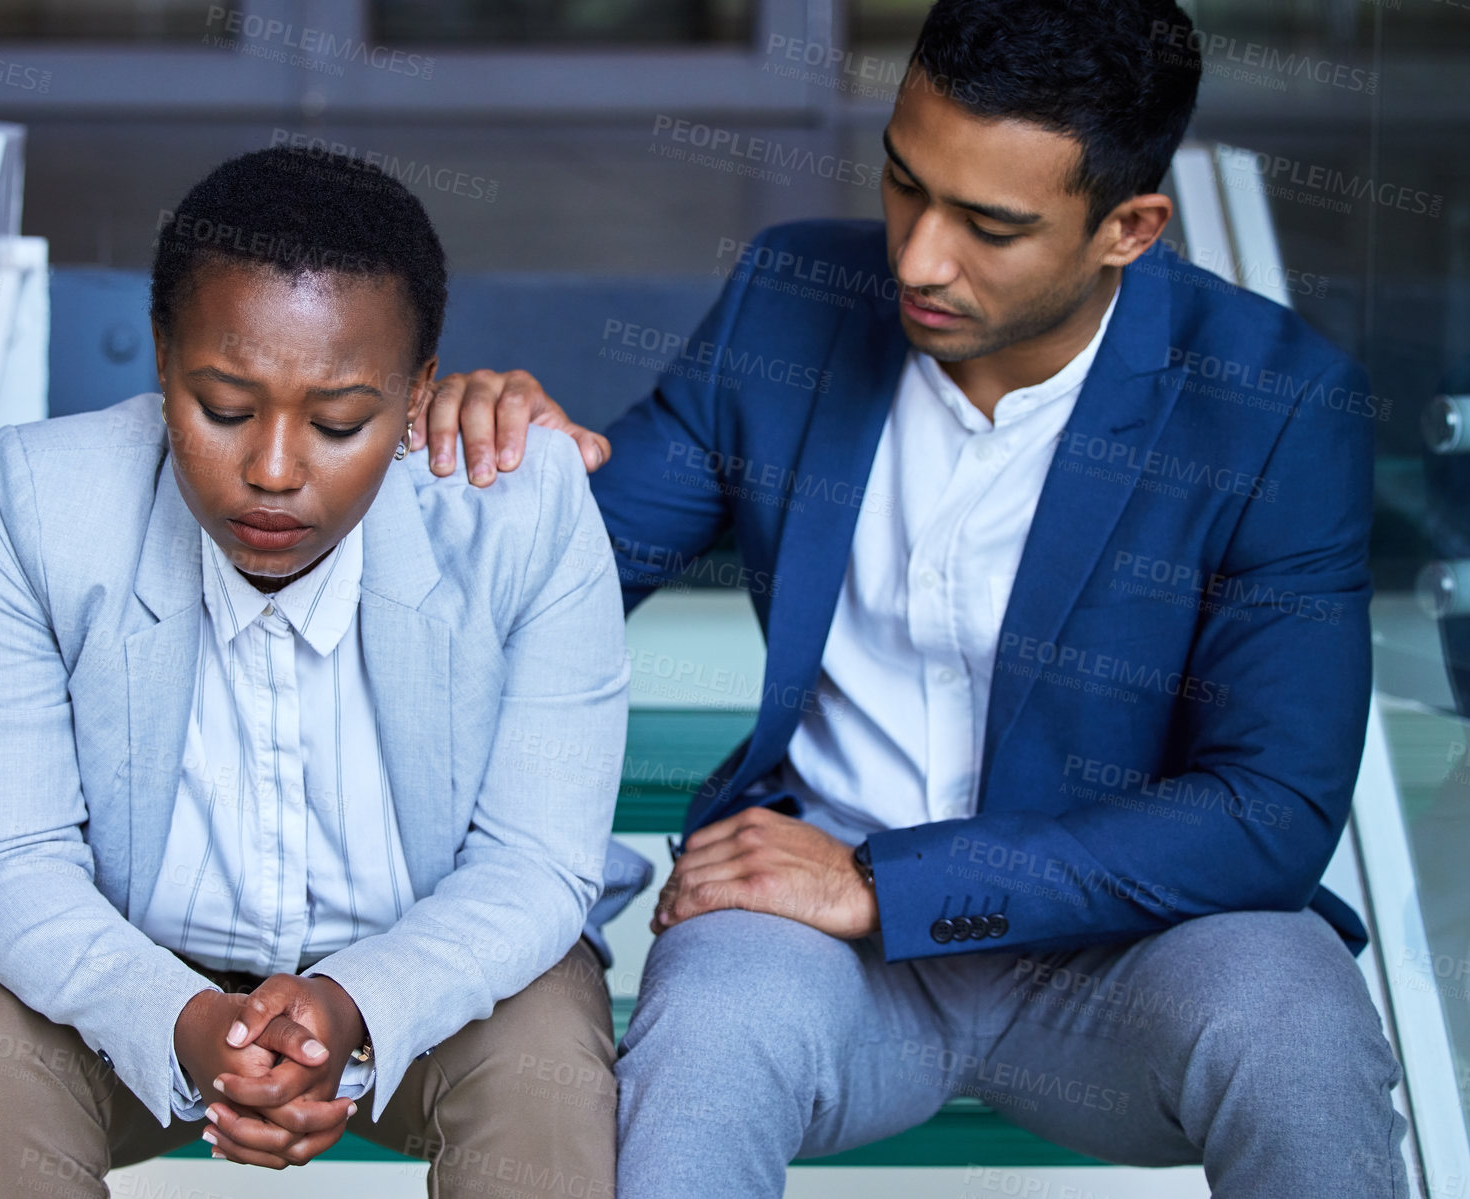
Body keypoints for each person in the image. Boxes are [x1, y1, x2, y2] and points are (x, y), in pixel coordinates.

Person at [423, 1, 1406, 1195]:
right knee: (705, 1038)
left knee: (1297, 1020)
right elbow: (564, 568)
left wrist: (887, 883)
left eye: (990, 225)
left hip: (1133, 954)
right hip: (813, 947)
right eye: (903, 184)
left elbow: (1267, 812)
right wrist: (480, 461)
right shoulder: (793, 296)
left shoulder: (1275, 402)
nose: (916, 258)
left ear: (1129, 228)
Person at [0, 146, 630, 1198]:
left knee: (544, 1066)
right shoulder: (37, 502)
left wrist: (349, 1001)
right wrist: (185, 1017)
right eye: (224, 406)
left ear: (419, 393)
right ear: (161, 362)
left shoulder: (523, 511)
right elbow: (3, 856)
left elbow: (536, 864)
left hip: (430, 965)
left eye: (340, 421)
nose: (276, 470)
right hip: (125, 964)